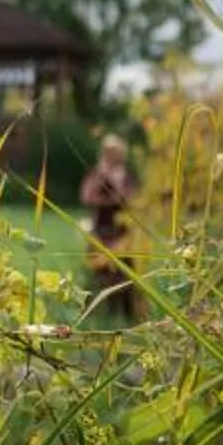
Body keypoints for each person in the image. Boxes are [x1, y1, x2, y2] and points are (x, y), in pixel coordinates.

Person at [80, 133, 141, 324]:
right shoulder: (97, 174)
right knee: (100, 274)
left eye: (116, 152)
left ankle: (127, 316)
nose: (113, 156)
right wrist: (110, 198)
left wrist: (118, 195)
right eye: (109, 152)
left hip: (122, 232)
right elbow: (87, 196)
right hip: (101, 231)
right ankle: (101, 314)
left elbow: (132, 197)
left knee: (125, 274)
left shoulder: (125, 175)